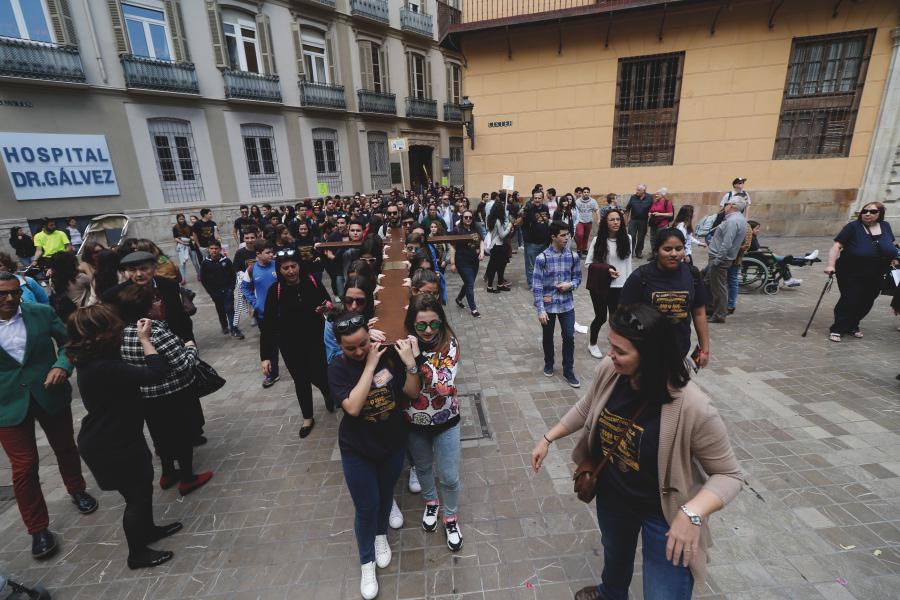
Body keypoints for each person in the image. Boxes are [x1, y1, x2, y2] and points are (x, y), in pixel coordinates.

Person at [530, 303, 743, 600]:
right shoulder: (611, 372)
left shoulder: (694, 406)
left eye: (620, 351)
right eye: (610, 346)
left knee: (663, 591)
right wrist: (547, 438)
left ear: (651, 356)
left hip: (665, 514)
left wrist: (692, 514)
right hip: (614, 497)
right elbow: (587, 406)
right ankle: (611, 593)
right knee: (615, 554)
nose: (609, 355)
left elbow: (729, 475)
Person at [67, 306, 182, 569]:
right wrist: (145, 340)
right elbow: (157, 372)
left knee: (142, 487)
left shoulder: (94, 361)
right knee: (136, 497)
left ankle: (149, 530)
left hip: (117, 436)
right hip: (111, 444)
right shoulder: (104, 367)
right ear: (103, 335)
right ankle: (137, 554)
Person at [0, 272, 98, 560]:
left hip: (49, 394)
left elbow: (70, 344)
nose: (10, 299)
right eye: (3, 294)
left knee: (65, 447)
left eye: (14, 293)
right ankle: (37, 529)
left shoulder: (40, 313)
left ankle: (77, 489)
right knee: (24, 467)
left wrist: (62, 367)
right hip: (7, 405)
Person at [327, 313, 420, 600]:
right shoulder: (337, 368)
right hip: (358, 449)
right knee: (365, 506)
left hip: (392, 443)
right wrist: (368, 364)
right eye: (350, 347)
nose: (358, 351)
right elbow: (353, 407)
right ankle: (367, 561)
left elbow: (412, 392)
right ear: (339, 345)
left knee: (383, 495)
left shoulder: (387, 355)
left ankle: (381, 536)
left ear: (371, 335)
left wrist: (410, 363)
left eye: (363, 343)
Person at [116, 285, 213, 496]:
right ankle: (187, 477)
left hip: (147, 396)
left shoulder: (123, 333)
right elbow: (183, 365)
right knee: (183, 435)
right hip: (174, 393)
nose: (160, 303)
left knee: (160, 436)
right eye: (155, 300)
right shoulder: (157, 332)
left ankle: (167, 473)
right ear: (146, 307)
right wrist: (190, 348)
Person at [403, 294, 463, 551]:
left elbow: (443, 386)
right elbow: (410, 392)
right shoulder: (403, 344)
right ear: (411, 325)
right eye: (421, 325)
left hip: (446, 420)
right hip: (414, 422)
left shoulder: (450, 344)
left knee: (449, 476)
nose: (429, 330)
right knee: (424, 469)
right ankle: (431, 503)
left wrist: (416, 360)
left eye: (434, 324)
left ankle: (450, 517)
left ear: (442, 321)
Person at [260, 249, 332, 438]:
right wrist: (266, 356)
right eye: (285, 268)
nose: (290, 271)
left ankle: (327, 392)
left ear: (300, 266)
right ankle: (307, 417)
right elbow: (268, 325)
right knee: (301, 380)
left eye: (293, 266)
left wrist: (325, 308)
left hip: (316, 342)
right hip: (290, 346)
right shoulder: (275, 291)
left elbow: (329, 304)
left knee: (321, 375)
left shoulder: (313, 282)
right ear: (280, 270)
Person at [620, 229, 710, 367]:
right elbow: (623, 314)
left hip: (679, 349)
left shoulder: (692, 274)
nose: (674, 254)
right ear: (656, 251)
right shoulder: (641, 277)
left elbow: (699, 313)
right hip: (645, 353)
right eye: (667, 249)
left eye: (678, 249)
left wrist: (704, 349)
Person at [825, 201, 899, 342]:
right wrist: (830, 265)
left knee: (867, 300)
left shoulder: (885, 226)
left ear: (880, 214)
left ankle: (853, 325)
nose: (867, 214)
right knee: (850, 299)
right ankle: (838, 328)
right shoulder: (852, 227)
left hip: (878, 272)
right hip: (851, 271)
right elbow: (836, 247)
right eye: (864, 211)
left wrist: (895, 258)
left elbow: (890, 245)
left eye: (872, 211)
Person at [102, 251, 194, 343]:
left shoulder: (170, 285)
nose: (139, 274)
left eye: (144, 269)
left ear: (154, 268)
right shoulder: (114, 295)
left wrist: (189, 342)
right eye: (133, 270)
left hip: (174, 343)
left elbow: (182, 318)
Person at [533, 221, 583, 388]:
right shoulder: (542, 258)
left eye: (568, 234)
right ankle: (549, 363)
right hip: (548, 306)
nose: (567, 238)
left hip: (567, 305)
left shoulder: (573, 256)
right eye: (563, 235)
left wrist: (570, 285)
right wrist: (540, 310)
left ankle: (568, 370)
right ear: (553, 237)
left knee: (569, 336)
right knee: (548, 337)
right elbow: (537, 286)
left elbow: (578, 278)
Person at [586, 208, 632, 359]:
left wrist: (630, 284)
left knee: (616, 317)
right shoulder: (598, 240)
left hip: (620, 286)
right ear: (606, 222)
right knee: (601, 317)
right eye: (612, 219)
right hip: (601, 286)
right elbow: (588, 264)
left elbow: (628, 265)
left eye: (618, 219)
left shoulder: (628, 239)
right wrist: (606, 270)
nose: (616, 222)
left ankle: (615, 343)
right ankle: (592, 343)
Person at [241, 240, 280, 387]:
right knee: (270, 345)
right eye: (268, 253)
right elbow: (244, 287)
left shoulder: (277, 265)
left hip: (282, 312)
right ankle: (272, 373)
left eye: (272, 252)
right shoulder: (251, 270)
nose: (271, 255)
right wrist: (255, 302)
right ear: (258, 254)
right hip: (264, 315)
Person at [705, 197, 748, 323]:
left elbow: (727, 243)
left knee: (718, 287)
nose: (725, 206)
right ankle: (711, 308)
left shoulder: (732, 221)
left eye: (727, 204)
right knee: (710, 283)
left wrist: (718, 260)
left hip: (720, 259)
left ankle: (719, 315)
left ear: (732, 206)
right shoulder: (739, 219)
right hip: (724, 258)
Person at [200, 240, 243, 339]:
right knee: (220, 309)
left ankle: (234, 328)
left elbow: (233, 274)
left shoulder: (226, 261)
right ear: (208, 250)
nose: (214, 251)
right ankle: (224, 325)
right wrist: (210, 291)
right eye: (211, 248)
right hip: (215, 292)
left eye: (216, 248)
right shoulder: (205, 263)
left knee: (230, 309)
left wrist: (231, 287)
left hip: (227, 290)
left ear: (220, 249)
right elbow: (203, 279)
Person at [448, 210, 485, 318]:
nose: (468, 219)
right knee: (469, 284)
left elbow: (481, 240)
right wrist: (453, 263)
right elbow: (453, 247)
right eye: (466, 217)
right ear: (462, 218)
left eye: (470, 217)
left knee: (469, 283)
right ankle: (473, 309)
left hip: (474, 261)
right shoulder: (457, 230)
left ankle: (459, 299)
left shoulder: (475, 228)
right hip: (462, 261)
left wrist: (482, 252)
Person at [48, 251, 92, 322]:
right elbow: (96, 285)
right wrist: (87, 269)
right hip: (84, 313)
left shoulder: (52, 280)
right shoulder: (80, 278)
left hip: (69, 315)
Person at [522, 190, 551, 289]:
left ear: (543, 199)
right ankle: (532, 285)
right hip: (531, 242)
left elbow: (547, 222)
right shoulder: (529, 209)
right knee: (531, 265)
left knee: (544, 264)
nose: (537, 200)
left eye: (539, 198)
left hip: (544, 242)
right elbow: (521, 220)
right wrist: (526, 209)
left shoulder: (545, 208)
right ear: (533, 198)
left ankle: (542, 282)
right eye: (535, 198)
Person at [484, 199, 512, 294]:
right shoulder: (498, 221)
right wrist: (509, 227)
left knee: (498, 266)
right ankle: (490, 287)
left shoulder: (490, 219)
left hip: (495, 245)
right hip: (498, 245)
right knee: (495, 267)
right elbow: (502, 235)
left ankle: (499, 284)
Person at [624, 184, 652, 258]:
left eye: (639, 190)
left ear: (644, 191)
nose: (636, 191)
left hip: (644, 221)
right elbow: (627, 209)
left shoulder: (650, 197)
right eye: (637, 189)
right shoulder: (633, 197)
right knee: (631, 236)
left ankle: (638, 252)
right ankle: (630, 252)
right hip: (633, 220)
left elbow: (653, 208)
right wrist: (626, 221)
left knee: (641, 237)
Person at [647, 188, 675, 257]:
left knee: (661, 239)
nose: (656, 195)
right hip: (653, 223)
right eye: (656, 193)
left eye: (658, 194)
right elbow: (651, 210)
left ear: (662, 195)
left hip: (662, 224)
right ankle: (654, 254)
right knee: (652, 239)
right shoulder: (655, 202)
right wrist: (650, 213)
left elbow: (670, 214)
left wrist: (659, 214)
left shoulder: (667, 202)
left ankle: (660, 255)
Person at [172, 214, 200, 281]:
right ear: (177, 220)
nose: (182, 220)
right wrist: (182, 242)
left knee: (195, 262)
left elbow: (192, 236)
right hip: (181, 247)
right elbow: (175, 237)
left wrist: (191, 238)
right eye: (180, 219)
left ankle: (199, 275)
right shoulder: (175, 227)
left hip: (190, 246)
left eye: (183, 219)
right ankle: (183, 279)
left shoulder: (189, 227)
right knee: (182, 263)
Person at [574, 187, 599, 256]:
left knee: (586, 236)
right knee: (580, 235)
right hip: (580, 221)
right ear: (582, 193)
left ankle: (584, 249)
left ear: (589, 193)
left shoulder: (593, 201)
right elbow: (574, 211)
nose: (586, 193)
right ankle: (579, 249)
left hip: (589, 221)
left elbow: (596, 210)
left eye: (587, 192)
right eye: (584, 192)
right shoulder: (577, 201)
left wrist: (598, 218)